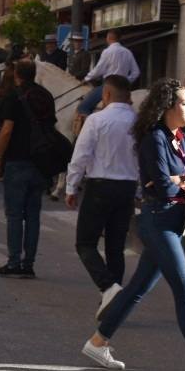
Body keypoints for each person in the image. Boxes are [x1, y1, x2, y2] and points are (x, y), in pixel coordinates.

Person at [83, 79, 185, 371]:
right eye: (184, 103)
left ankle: (97, 342)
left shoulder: (182, 138)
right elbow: (164, 187)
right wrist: (184, 179)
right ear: (167, 106)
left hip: (174, 222)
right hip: (158, 221)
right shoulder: (153, 138)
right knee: (184, 289)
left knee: (137, 289)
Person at [65, 75, 139, 314]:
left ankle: (108, 288)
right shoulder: (137, 122)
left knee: (85, 243)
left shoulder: (97, 120)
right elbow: (142, 160)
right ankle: (110, 299)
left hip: (100, 186)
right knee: (115, 247)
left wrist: (71, 187)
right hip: (127, 187)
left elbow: (81, 155)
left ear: (106, 95)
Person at [0, 59, 56, 278]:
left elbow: (7, 130)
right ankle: (28, 264)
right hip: (40, 163)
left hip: (17, 161)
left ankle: (13, 262)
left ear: (16, 74)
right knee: (33, 216)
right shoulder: (45, 96)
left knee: (15, 215)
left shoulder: (13, 96)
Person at [77, 30, 140, 116]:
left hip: (108, 86)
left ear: (109, 38)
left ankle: (91, 125)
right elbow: (136, 72)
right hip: (124, 89)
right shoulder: (127, 52)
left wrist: (86, 78)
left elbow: (98, 69)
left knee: (83, 106)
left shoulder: (107, 51)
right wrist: (126, 82)